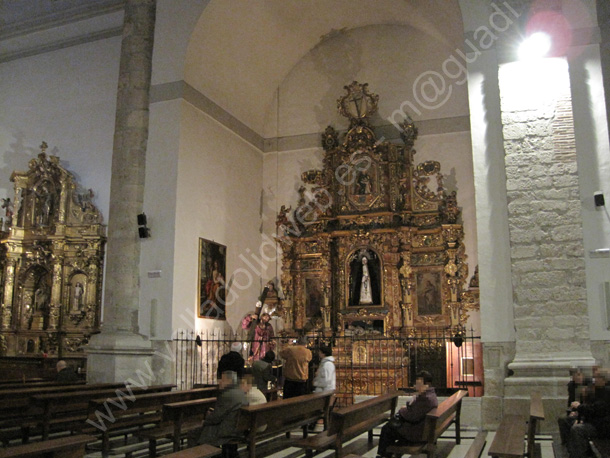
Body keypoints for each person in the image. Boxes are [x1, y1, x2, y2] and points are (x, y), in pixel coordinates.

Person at [377, 371, 438, 458]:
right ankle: (386, 455)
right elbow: (416, 410)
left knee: (387, 429)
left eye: (418, 384)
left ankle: (383, 455)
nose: (415, 386)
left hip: (417, 433)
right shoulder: (430, 394)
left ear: (427, 384)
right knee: (390, 428)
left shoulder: (426, 398)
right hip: (422, 428)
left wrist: (402, 410)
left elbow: (412, 416)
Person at [197, 370, 248, 455]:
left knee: (194, 433)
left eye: (222, 379)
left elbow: (216, 418)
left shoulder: (227, 395)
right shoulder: (240, 393)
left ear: (229, 381)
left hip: (227, 430)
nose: (219, 381)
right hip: (238, 428)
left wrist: (205, 421)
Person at [567, 370, 610, 458]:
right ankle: (577, 452)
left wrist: (579, 408)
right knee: (568, 421)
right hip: (598, 422)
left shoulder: (607, 392)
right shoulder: (600, 390)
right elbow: (592, 407)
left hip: (603, 426)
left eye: (597, 378)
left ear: (604, 380)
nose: (594, 380)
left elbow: (597, 409)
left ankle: (579, 455)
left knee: (578, 430)